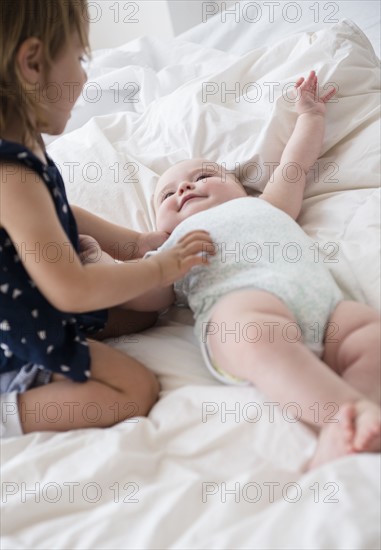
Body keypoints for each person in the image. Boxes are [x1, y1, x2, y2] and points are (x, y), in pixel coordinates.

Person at [126, 70, 381, 469]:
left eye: (203, 176)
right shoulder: (169, 246)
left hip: (325, 305)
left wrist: (311, 118)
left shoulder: (267, 204)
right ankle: (341, 417)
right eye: (168, 194)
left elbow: (295, 164)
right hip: (240, 308)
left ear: (241, 189)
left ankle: (359, 418)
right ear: (159, 225)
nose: (184, 189)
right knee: (254, 333)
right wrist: (106, 264)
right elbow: (146, 295)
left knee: (368, 332)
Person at [0, 0, 214, 437]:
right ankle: (11, 410)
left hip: (36, 299)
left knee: (145, 313)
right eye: (79, 58)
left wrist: (135, 243)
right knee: (134, 389)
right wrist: (158, 266)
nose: (84, 76)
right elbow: (71, 290)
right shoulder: (11, 176)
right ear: (32, 64)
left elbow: (62, 215)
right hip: (16, 335)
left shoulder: (23, 141)